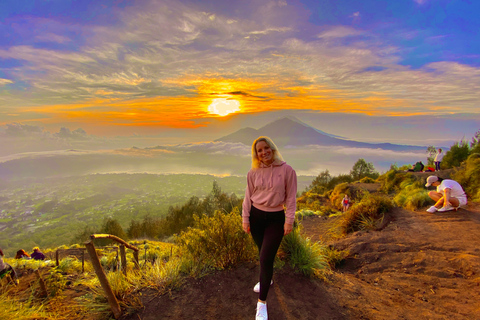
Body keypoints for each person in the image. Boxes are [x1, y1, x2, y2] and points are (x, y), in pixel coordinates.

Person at [242, 136, 297, 320]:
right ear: (256, 154)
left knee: (265, 258)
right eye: (259, 150)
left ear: (272, 149)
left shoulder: (287, 170)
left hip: (275, 218)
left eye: (266, 148)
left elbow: (290, 198)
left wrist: (289, 220)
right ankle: (268, 279)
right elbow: (248, 197)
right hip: (256, 217)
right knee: (262, 253)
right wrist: (245, 218)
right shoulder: (253, 172)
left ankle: (262, 304)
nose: (263, 152)